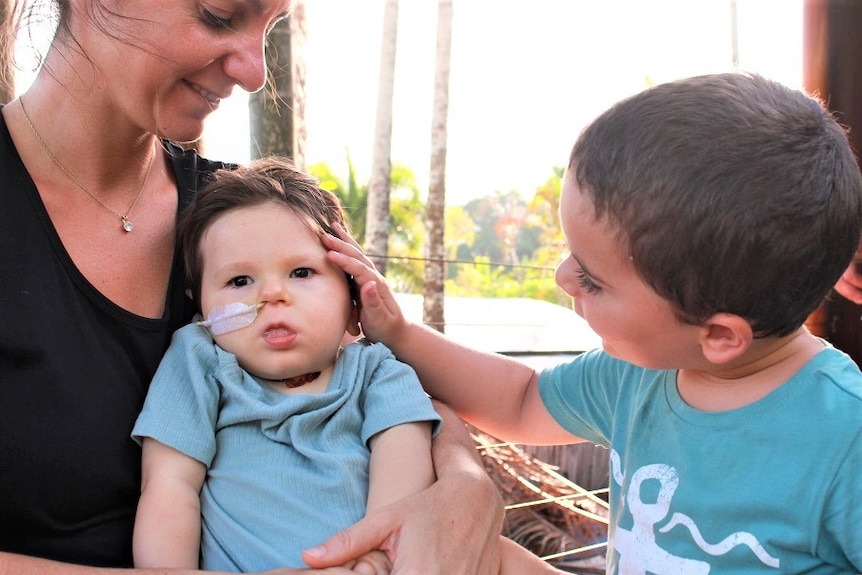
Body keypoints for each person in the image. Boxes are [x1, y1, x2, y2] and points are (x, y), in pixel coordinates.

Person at [0, 1, 504, 573]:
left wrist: (465, 479)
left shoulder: (243, 217)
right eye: (219, 14)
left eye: (270, 30)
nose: (254, 72)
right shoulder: (210, 318)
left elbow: (377, 375)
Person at [324, 73, 862, 574]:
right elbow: (521, 400)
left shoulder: (845, 436)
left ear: (719, 335)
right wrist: (397, 333)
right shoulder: (640, 373)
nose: (561, 276)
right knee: (489, 559)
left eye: (593, 279)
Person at [131, 158, 441, 573]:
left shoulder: (377, 375)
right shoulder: (201, 362)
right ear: (202, 306)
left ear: (353, 302)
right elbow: (169, 485)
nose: (273, 294)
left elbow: (404, 475)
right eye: (240, 281)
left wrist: (373, 559)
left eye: (301, 271)